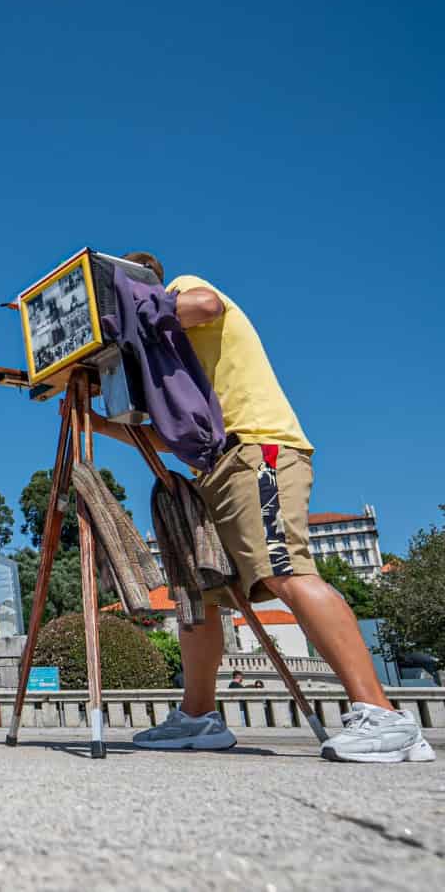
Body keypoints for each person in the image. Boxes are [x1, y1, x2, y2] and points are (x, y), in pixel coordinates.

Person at [101, 252, 434, 763]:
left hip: (259, 451)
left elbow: (206, 304)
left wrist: (142, 305)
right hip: (216, 466)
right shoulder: (173, 359)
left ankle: (383, 716)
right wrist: (96, 421)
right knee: (201, 595)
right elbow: (174, 439)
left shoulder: (184, 292)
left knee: (286, 571)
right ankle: (198, 718)